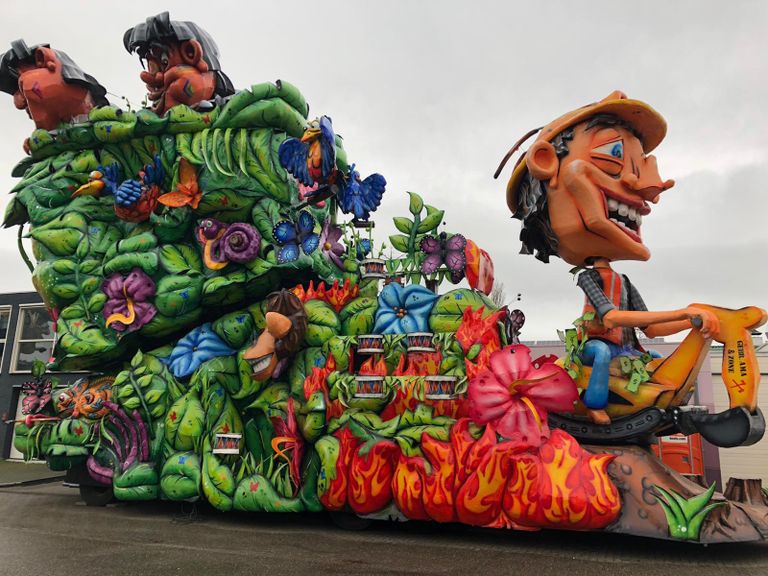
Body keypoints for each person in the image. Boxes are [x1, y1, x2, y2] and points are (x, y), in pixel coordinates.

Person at [497, 91, 719, 425]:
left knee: (655, 359)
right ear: (546, 163)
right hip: (594, 348)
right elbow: (612, 318)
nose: (644, 188)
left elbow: (652, 328)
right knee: (599, 353)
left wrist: (694, 319)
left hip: (627, 353)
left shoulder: (623, 282)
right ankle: (595, 404)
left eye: (640, 163)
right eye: (614, 154)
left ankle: (661, 410)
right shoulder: (588, 277)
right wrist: (682, 311)